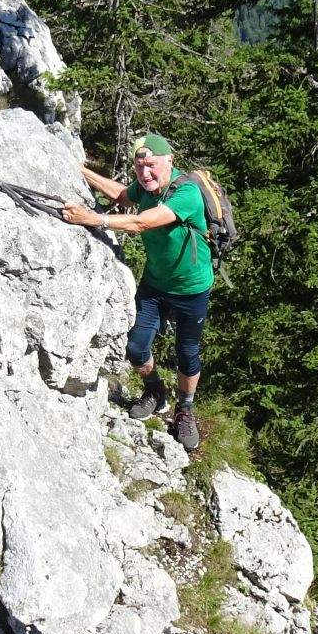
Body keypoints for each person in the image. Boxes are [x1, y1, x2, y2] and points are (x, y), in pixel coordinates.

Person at [63, 132, 212, 452]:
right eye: (139, 166)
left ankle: (184, 410)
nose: (145, 173)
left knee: (187, 353)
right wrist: (80, 170)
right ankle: (155, 391)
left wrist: (92, 219)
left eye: (151, 165)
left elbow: (142, 223)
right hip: (155, 284)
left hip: (192, 289)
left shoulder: (186, 193)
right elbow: (121, 194)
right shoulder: (145, 188)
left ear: (169, 161)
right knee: (136, 347)